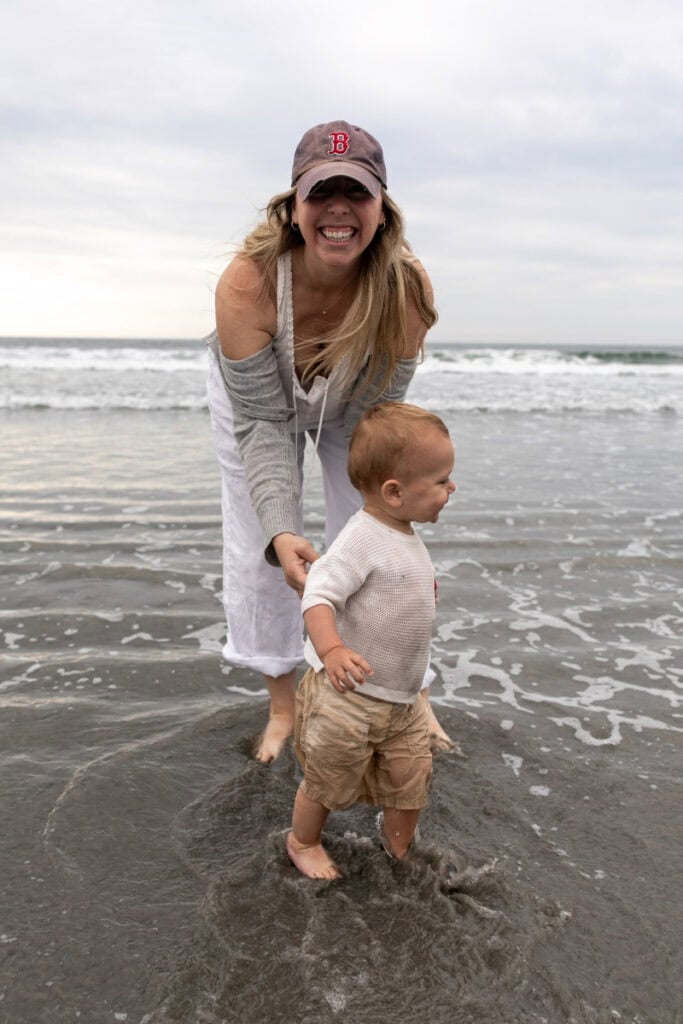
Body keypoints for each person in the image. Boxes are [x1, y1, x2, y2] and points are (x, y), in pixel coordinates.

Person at [206, 119, 454, 763]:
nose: (338, 209)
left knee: (382, 543)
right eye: (322, 193)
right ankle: (284, 707)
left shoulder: (407, 290)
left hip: (358, 401)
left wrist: (392, 498)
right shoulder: (247, 283)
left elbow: (382, 422)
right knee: (263, 548)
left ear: (382, 210)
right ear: (293, 209)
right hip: (256, 404)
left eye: (357, 192)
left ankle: (407, 698)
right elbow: (263, 423)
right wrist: (282, 531)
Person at [287, 402, 456, 879]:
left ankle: (398, 844)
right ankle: (302, 841)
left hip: (401, 699)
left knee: (410, 781)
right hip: (349, 698)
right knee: (327, 778)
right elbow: (318, 594)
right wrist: (332, 650)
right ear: (394, 492)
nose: (451, 488)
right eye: (441, 480)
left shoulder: (403, 532)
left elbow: (394, 588)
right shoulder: (360, 538)